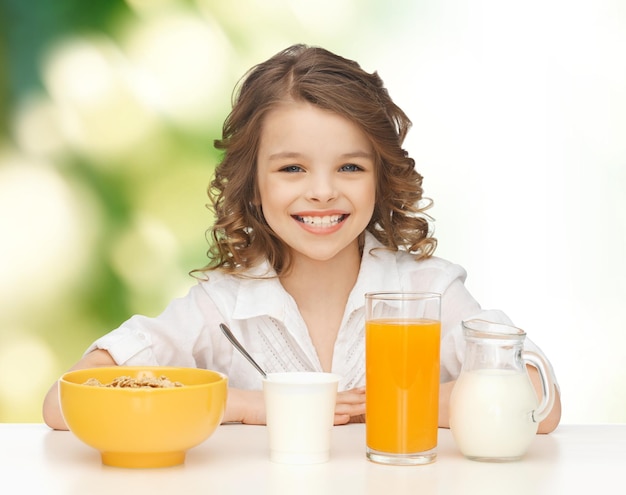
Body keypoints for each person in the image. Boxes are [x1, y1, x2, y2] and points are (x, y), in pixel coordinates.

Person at [43, 44, 561, 432]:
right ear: (253, 183)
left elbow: (541, 402)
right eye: (292, 167)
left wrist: (405, 399)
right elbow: (65, 402)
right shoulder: (220, 308)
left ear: (381, 177)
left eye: (350, 167)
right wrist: (249, 406)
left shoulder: (428, 291)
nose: (322, 192)